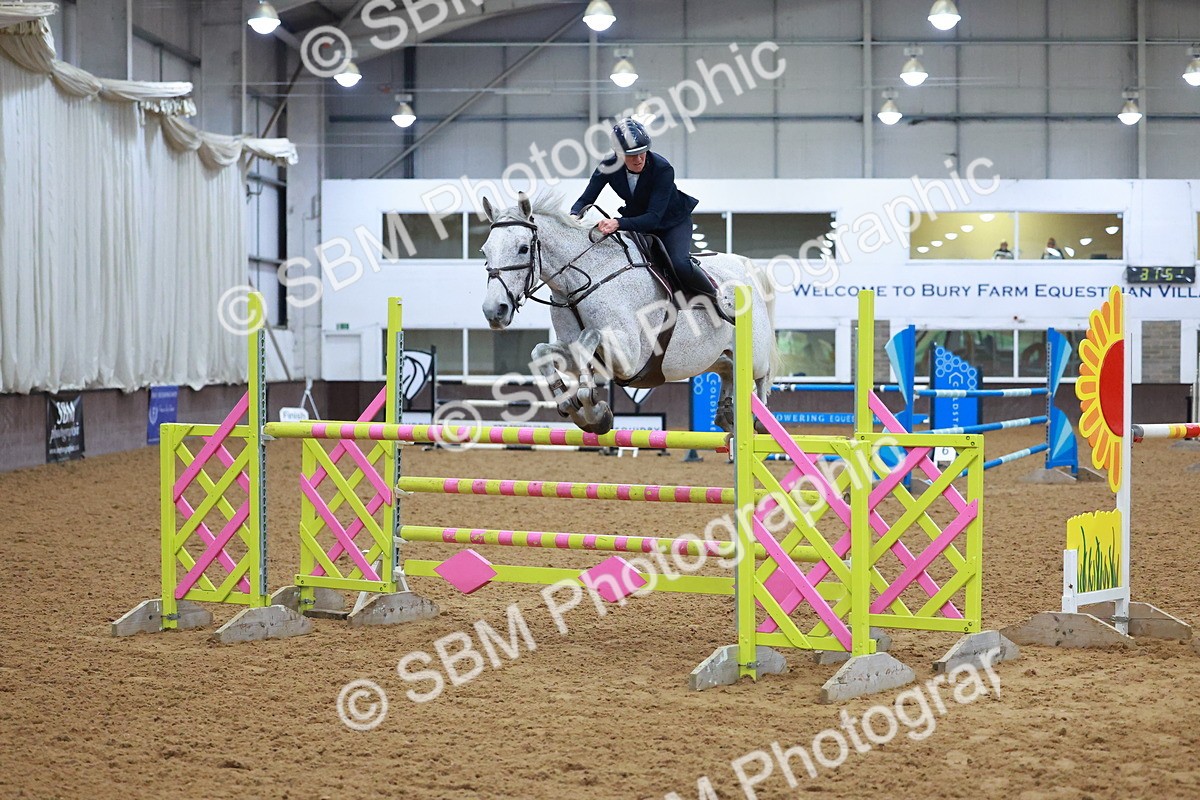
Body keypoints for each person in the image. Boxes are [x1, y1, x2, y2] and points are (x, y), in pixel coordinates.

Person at [571, 118, 715, 301]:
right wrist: (573, 216)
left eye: (643, 153)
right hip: (638, 220)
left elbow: (654, 218)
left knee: (679, 263)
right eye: (631, 155)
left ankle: (716, 299)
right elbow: (585, 199)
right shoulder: (607, 166)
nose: (639, 159)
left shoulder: (663, 168)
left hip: (671, 222)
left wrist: (618, 222)